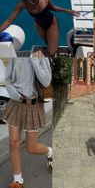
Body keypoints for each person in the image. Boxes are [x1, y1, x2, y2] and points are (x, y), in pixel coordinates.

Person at [2, 58, 52, 188]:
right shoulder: (16, 54)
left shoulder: (41, 55)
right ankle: (18, 180)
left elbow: (46, 81)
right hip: (16, 103)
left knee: (31, 147)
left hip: (33, 106)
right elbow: (8, 79)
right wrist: (15, 94)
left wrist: (34, 60)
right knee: (13, 143)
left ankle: (49, 151)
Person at [0, 0, 79, 56]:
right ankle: (50, 47)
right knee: (47, 41)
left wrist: (67, 10)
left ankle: (51, 51)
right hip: (39, 25)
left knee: (52, 52)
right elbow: (9, 20)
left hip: (51, 23)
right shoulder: (24, 3)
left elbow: (52, 7)